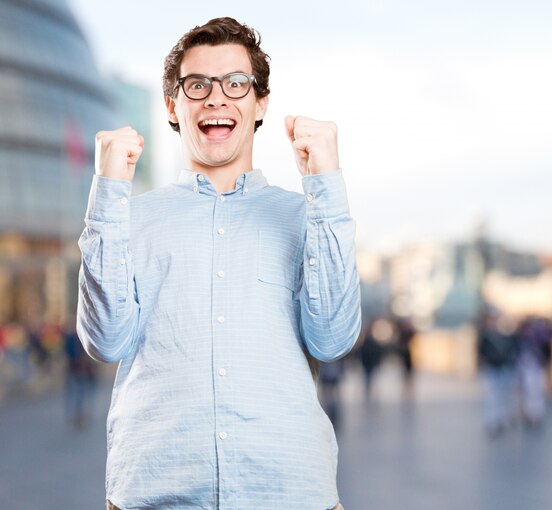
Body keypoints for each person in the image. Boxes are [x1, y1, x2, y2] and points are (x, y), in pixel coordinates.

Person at [76, 17, 360, 510]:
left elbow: (332, 340)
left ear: (259, 103)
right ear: (173, 104)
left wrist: (328, 184)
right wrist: (107, 193)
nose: (216, 98)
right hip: (155, 494)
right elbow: (104, 341)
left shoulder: (307, 216)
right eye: (197, 85)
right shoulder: (128, 217)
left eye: (236, 83)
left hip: (291, 493)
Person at [477, 306, 519, 437]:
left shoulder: (504, 335)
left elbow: (512, 350)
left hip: (504, 368)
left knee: (503, 395)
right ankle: (492, 421)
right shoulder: (485, 335)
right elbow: (481, 352)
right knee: (492, 396)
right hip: (492, 368)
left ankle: (501, 419)